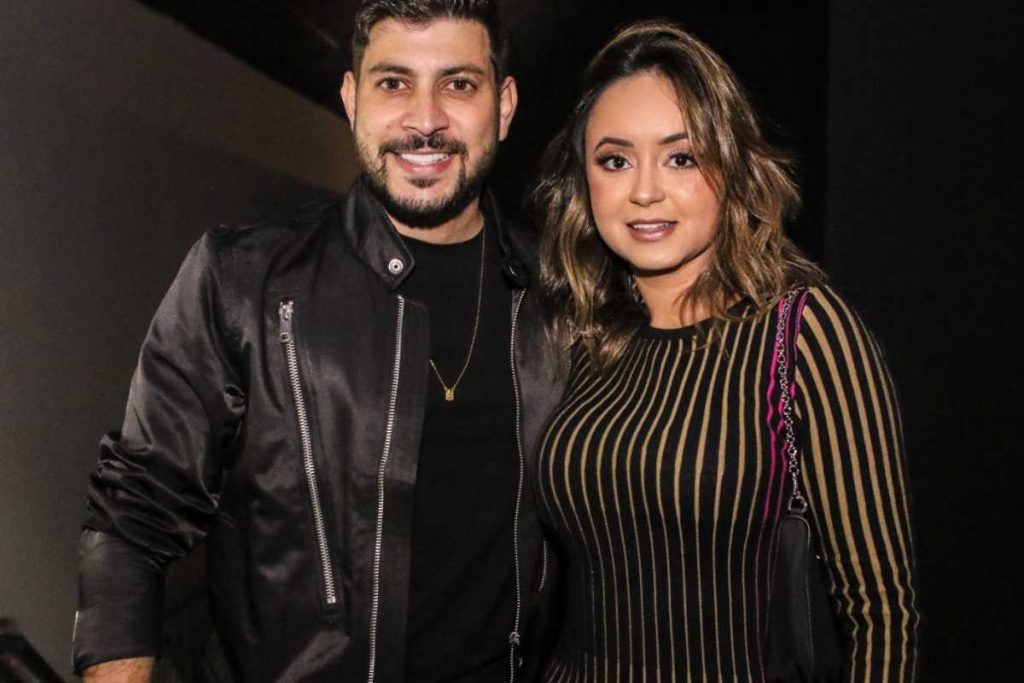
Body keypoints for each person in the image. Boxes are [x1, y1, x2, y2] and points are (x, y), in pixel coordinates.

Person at [73, 1, 564, 681]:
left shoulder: (562, 296)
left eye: (458, 84)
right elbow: (135, 511)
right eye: (394, 83)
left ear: (503, 106)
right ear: (352, 99)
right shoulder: (243, 278)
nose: (425, 119)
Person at [533, 20, 920, 681]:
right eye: (615, 160)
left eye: (682, 157)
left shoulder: (804, 331)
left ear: (733, 167)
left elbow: (882, 611)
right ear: (584, 179)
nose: (645, 191)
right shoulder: (580, 335)